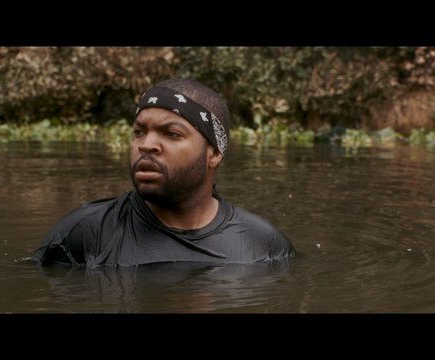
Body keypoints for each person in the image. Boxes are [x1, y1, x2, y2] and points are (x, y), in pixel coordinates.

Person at [32, 78, 296, 267]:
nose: (146, 145)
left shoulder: (263, 246)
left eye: (172, 134)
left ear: (214, 154)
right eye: (139, 132)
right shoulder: (84, 233)